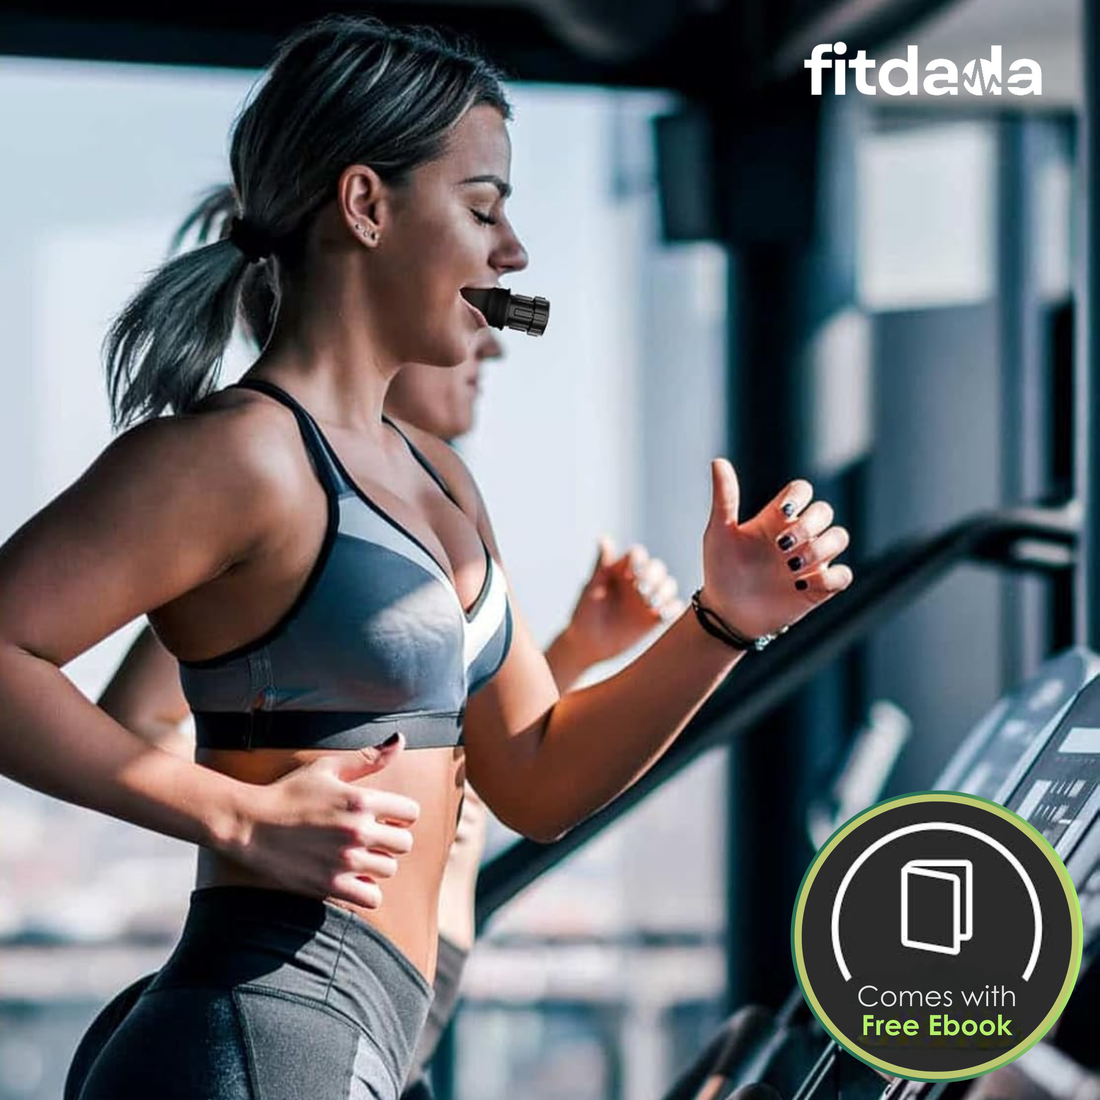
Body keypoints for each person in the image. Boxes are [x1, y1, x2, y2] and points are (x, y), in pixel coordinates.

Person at [0, 15, 851, 1099]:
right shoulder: (237, 456)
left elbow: (535, 774)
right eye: (482, 207)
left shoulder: (442, 481)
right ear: (364, 205)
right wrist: (236, 814)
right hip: (258, 1029)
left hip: (371, 1041)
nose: (514, 255)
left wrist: (720, 622)